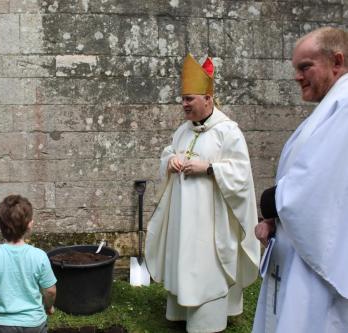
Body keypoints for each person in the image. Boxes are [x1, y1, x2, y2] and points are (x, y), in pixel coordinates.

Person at [145, 54, 260, 333]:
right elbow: (170, 151)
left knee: (207, 268)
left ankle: (208, 321)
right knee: (184, 261)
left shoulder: (228, 132)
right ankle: (182, 313)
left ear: (208, 99)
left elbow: (241, 174)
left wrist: (209, 168)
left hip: (211, 223)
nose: (184, 104)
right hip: (184, 219)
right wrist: (169, 161)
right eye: (183, 98)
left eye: (190, 99)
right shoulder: (183, 130)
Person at [253, 27, 348, 333]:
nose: (297, 76)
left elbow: (318, 188)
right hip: (299, 248)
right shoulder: (331, 106)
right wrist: (276, 220)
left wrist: (273, 203)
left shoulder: (344, 106)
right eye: (296, 68)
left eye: (305, 66)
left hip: (318, 265)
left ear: (337, 60)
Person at [0, 195, 57, 333]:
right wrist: (48, 307)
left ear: (0, 225)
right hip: (34, 324)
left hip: (0, 325)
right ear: (30, 224)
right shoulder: (40, 256)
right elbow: (50, 290)